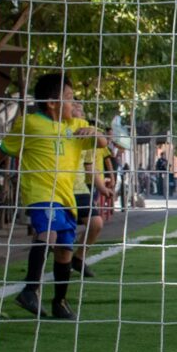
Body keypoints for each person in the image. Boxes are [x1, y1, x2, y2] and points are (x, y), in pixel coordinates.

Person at [0, 73, 109, 320]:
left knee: (65, 248)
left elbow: (103, 142)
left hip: (67, 197)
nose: (73, 103)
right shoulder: (29, 123)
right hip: (40, 192)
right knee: (50, 232)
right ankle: (30, 289)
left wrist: (93, 134)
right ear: (52, 102)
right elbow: (5, 149)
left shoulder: (76, 127)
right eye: (68, 98)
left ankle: (59, 302)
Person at [69, 101, 113, 277]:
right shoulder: (57, 130)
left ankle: (78, 258)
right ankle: (37, 266)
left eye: (81, 108)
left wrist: (102, 187)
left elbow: (90, 165)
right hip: (57, 188)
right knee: (50, 232)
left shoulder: (87, 133)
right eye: (74, 106)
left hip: (80, 188)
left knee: (96, 224)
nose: (79, 111)